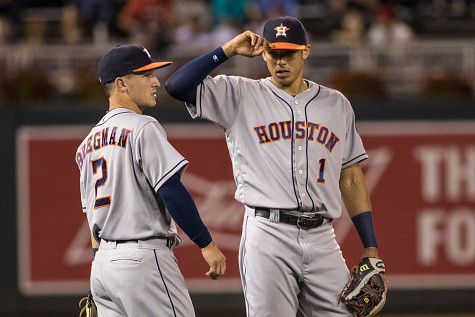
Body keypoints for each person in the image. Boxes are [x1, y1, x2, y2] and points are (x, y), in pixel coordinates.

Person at [165, 16, 387, 316]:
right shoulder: (240, 94)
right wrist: (227, 50)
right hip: (268, 234)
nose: (281, 61)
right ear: (264, 53)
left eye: (289, 53)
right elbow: (177, 86)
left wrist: (370, 247)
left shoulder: (337, 104)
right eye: (274, 53)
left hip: (323, 237)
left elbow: (350, 179)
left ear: (305, 51)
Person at [75, 44, 226, 316]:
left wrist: (99, 267)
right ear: (121, 84)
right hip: (143, 260)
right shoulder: (142, 127)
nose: (156, 81)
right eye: (145, 75)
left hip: (103, 268)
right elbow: (170, 189)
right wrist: (206, 244)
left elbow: (91, 219)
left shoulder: (86, 145)